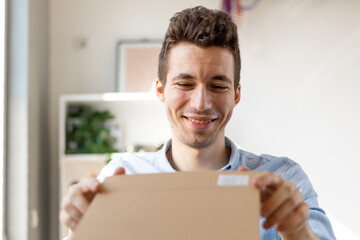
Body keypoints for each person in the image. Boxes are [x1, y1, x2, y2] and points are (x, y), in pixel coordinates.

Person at [60, 6, 335, 240]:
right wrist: (80, 229)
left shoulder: (283, 179)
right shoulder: (121, 179)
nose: (201, 103)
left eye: (218, 85)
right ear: (160, 90)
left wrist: (298, 231)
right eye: (184, 83)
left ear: (236, 95)